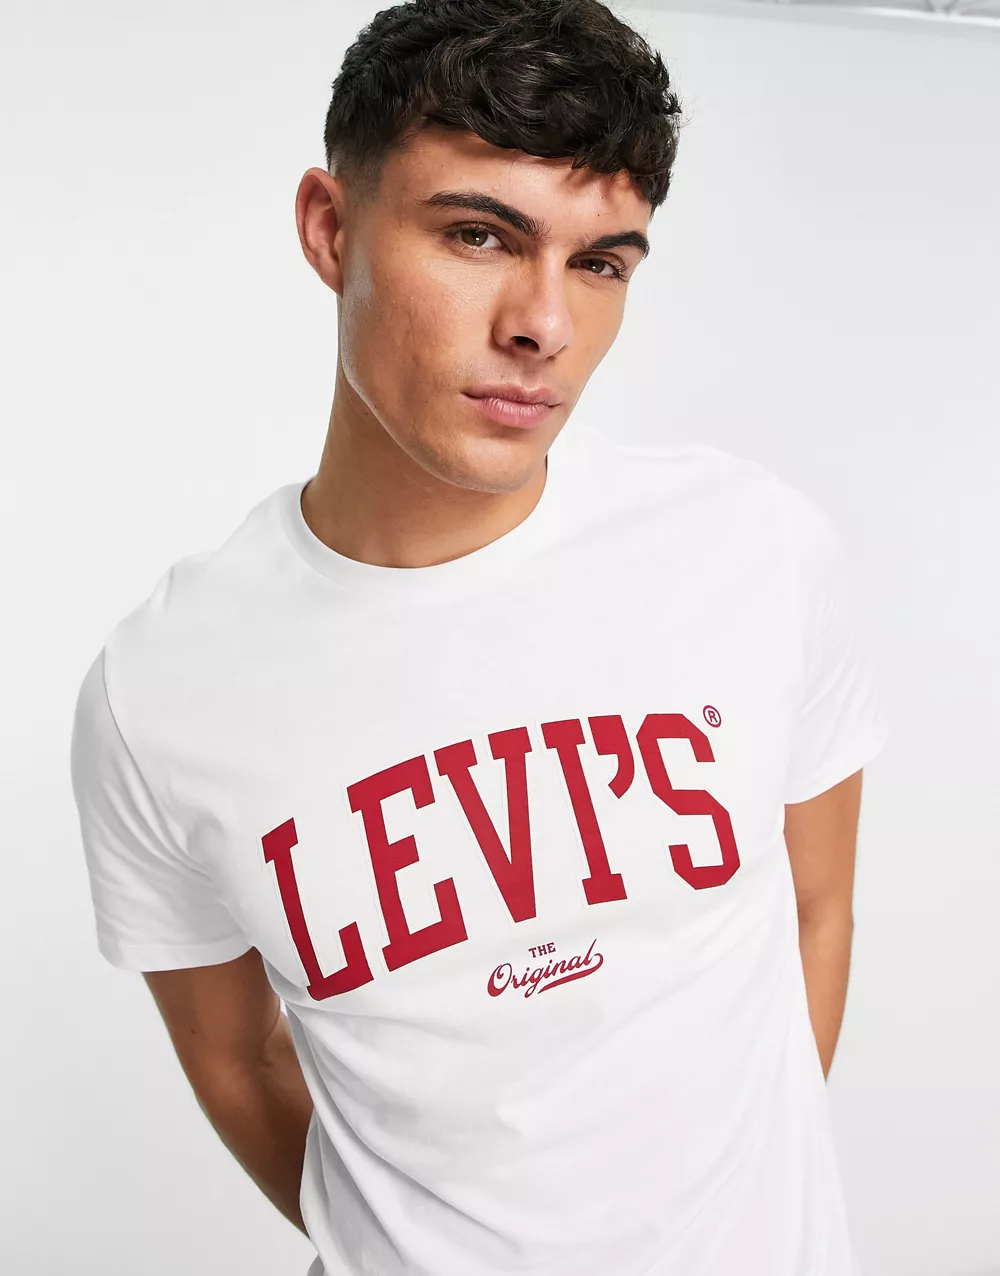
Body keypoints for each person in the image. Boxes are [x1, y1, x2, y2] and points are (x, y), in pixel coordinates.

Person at [69, 1, 890, 1273]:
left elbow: (817, 909)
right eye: (477, 235)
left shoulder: (754, 551)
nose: (542, 325)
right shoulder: (158, 692)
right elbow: (236, 1061)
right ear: (330, 229)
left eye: (600, 263)